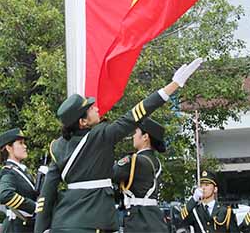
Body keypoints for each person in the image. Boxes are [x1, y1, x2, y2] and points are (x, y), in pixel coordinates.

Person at [34, 58, 203, 233]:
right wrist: (173, 85)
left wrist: (41, 230)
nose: (97, 108)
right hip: (93, 223)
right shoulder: (101, 135)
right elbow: (135, 114)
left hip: (63, 223)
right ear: (83, 122)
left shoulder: (57, 147)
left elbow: (45, 196)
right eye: (91, 108)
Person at [112, 117, 168, 232]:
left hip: (138, 220)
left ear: (145, 137)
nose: (133, 136)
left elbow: (110, 174)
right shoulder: (156, 162)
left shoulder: (134, 160)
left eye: (136, 132)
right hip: (155, 218)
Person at [0, 128, 38, 233]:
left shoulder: (23, 171)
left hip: (25, 226)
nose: (25, 146)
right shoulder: (9, 171)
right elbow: (4, 195)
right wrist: (33, 207)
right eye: (20, 143)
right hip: (15, 227)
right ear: (9, 148)